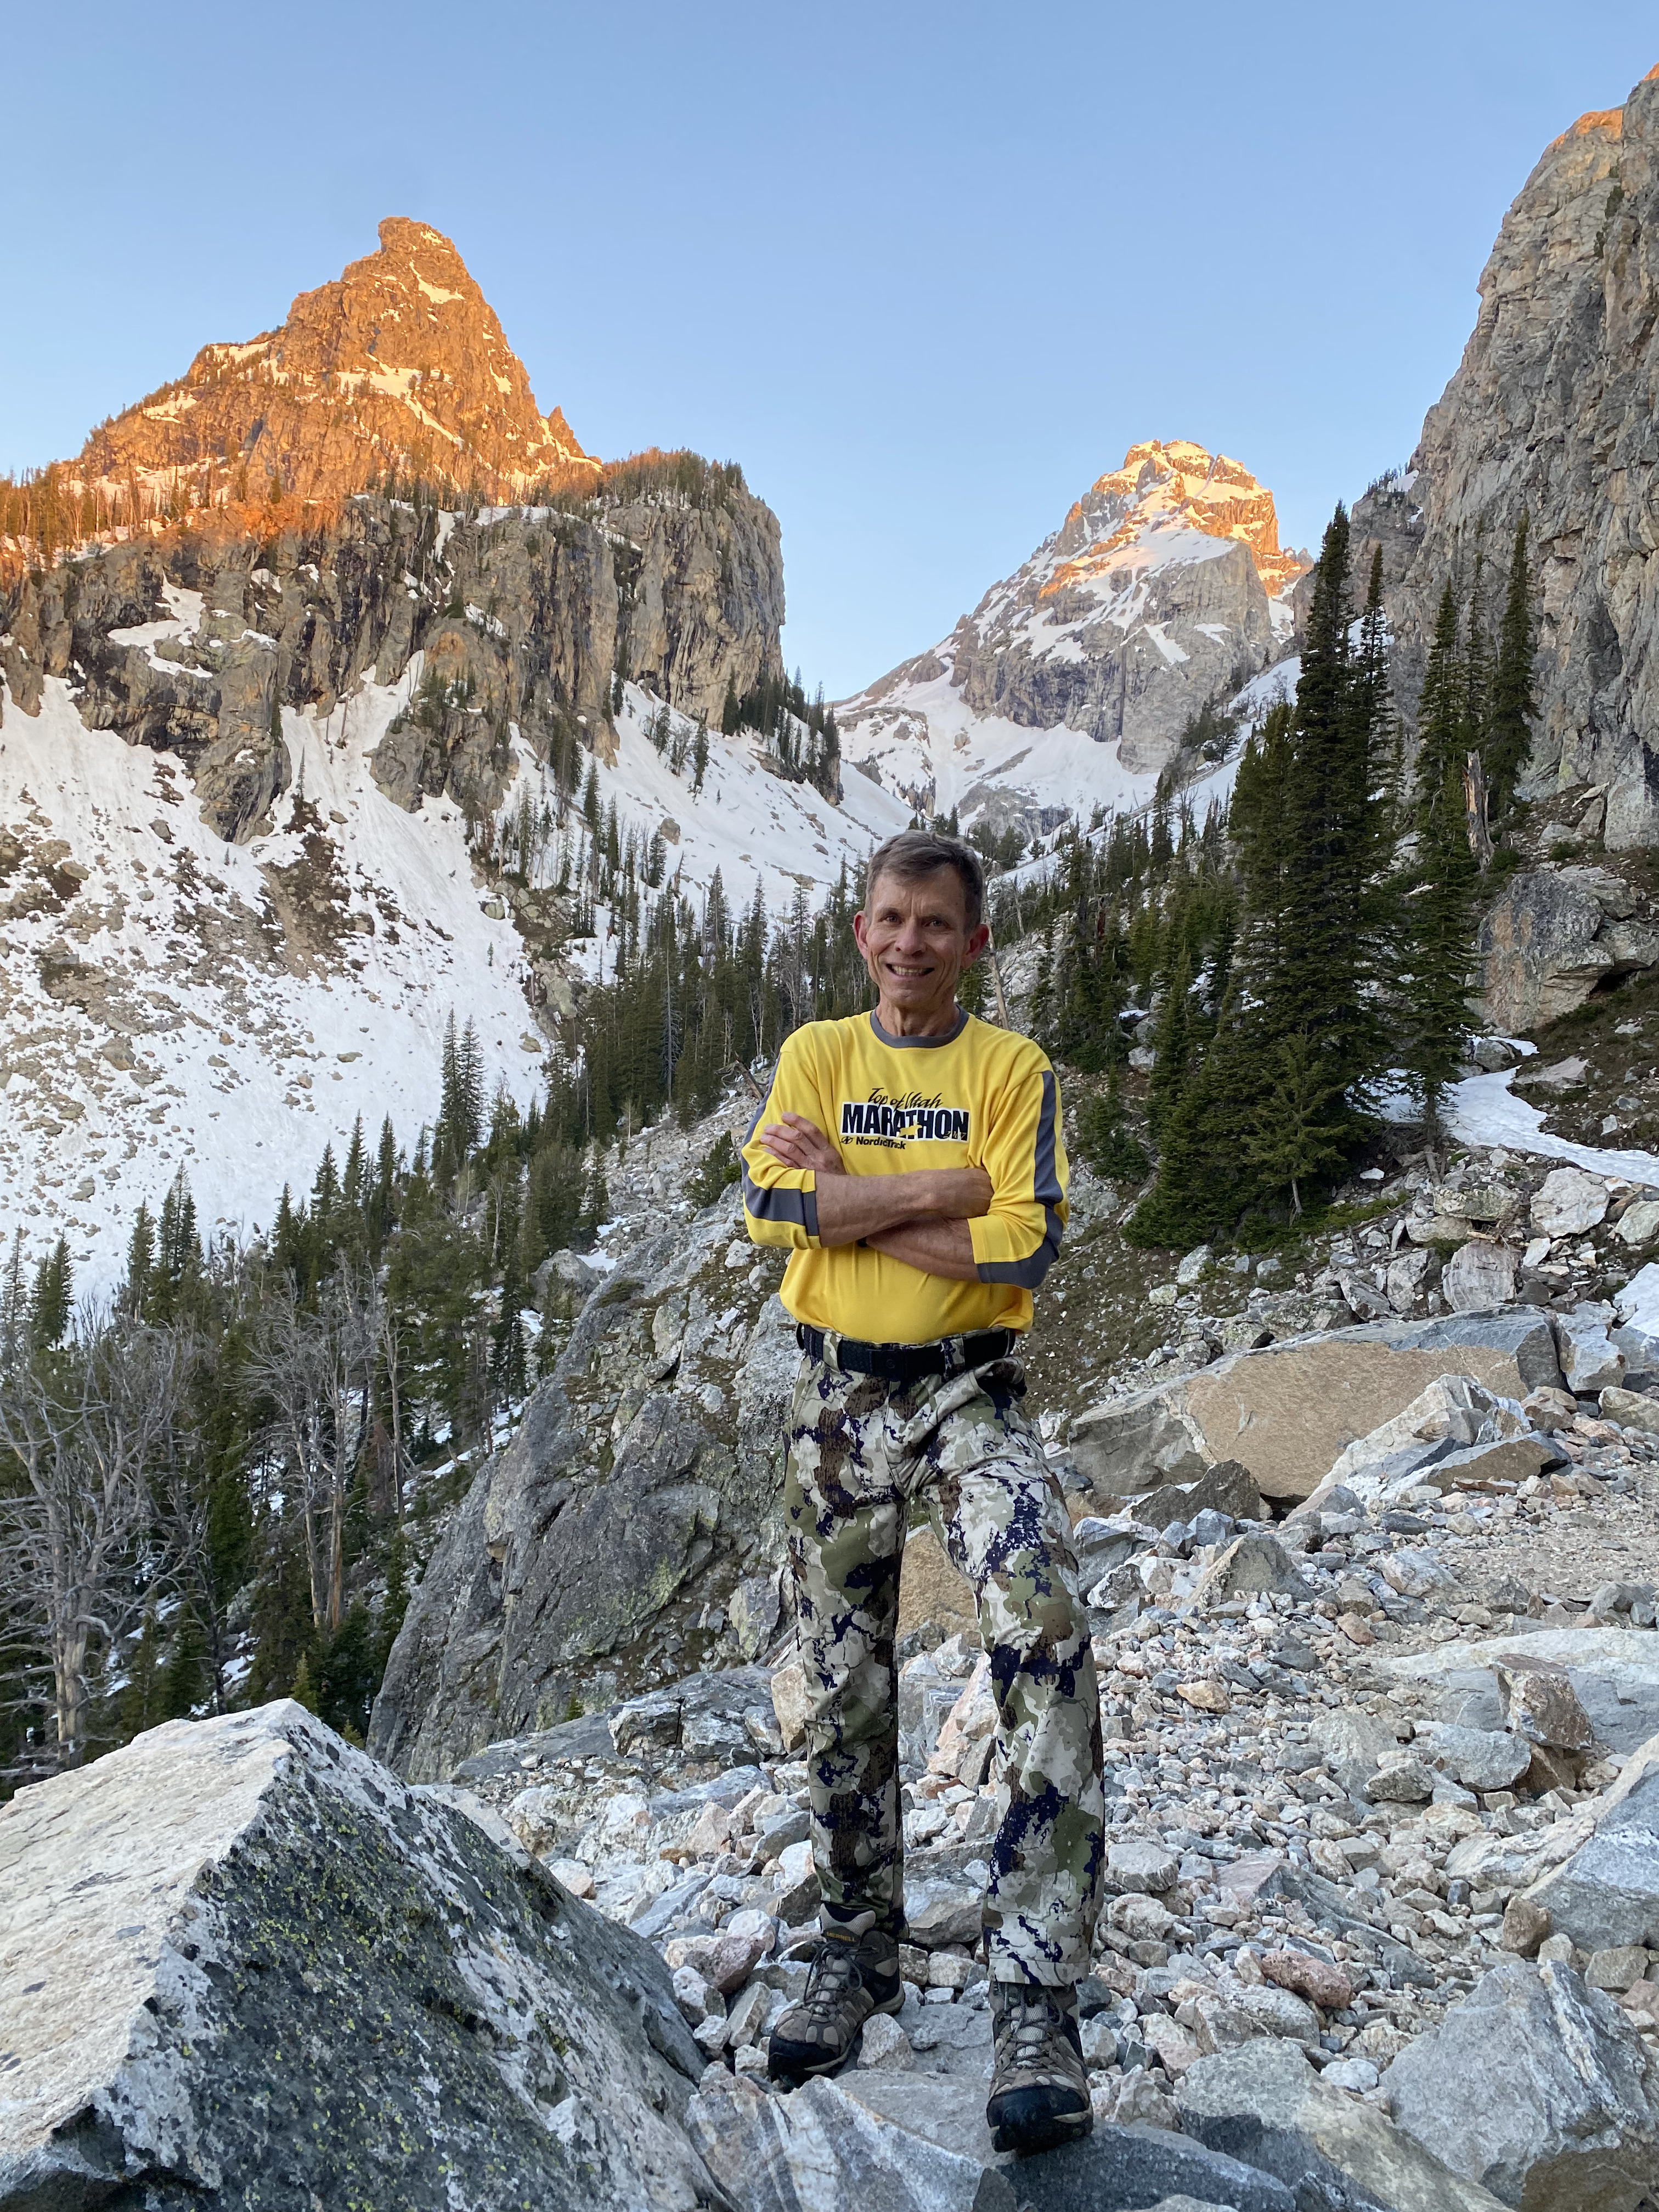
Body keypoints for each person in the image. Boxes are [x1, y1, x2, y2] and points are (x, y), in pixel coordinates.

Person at [740, 828, 1105, 2156]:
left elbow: (1030, 1240)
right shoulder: (816, 1056)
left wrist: (858, 1192)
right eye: (890, 920)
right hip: (835, 1399)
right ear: (861, 929)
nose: (909, 945)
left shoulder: (1013, 1070)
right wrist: (938, 1189)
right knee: (833, 1680)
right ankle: (857, 1949)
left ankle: (1037, 1993)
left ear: (976, 941)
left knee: (1042, 1627)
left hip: (968, 1391)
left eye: (935, 925)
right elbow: (771, 1208)